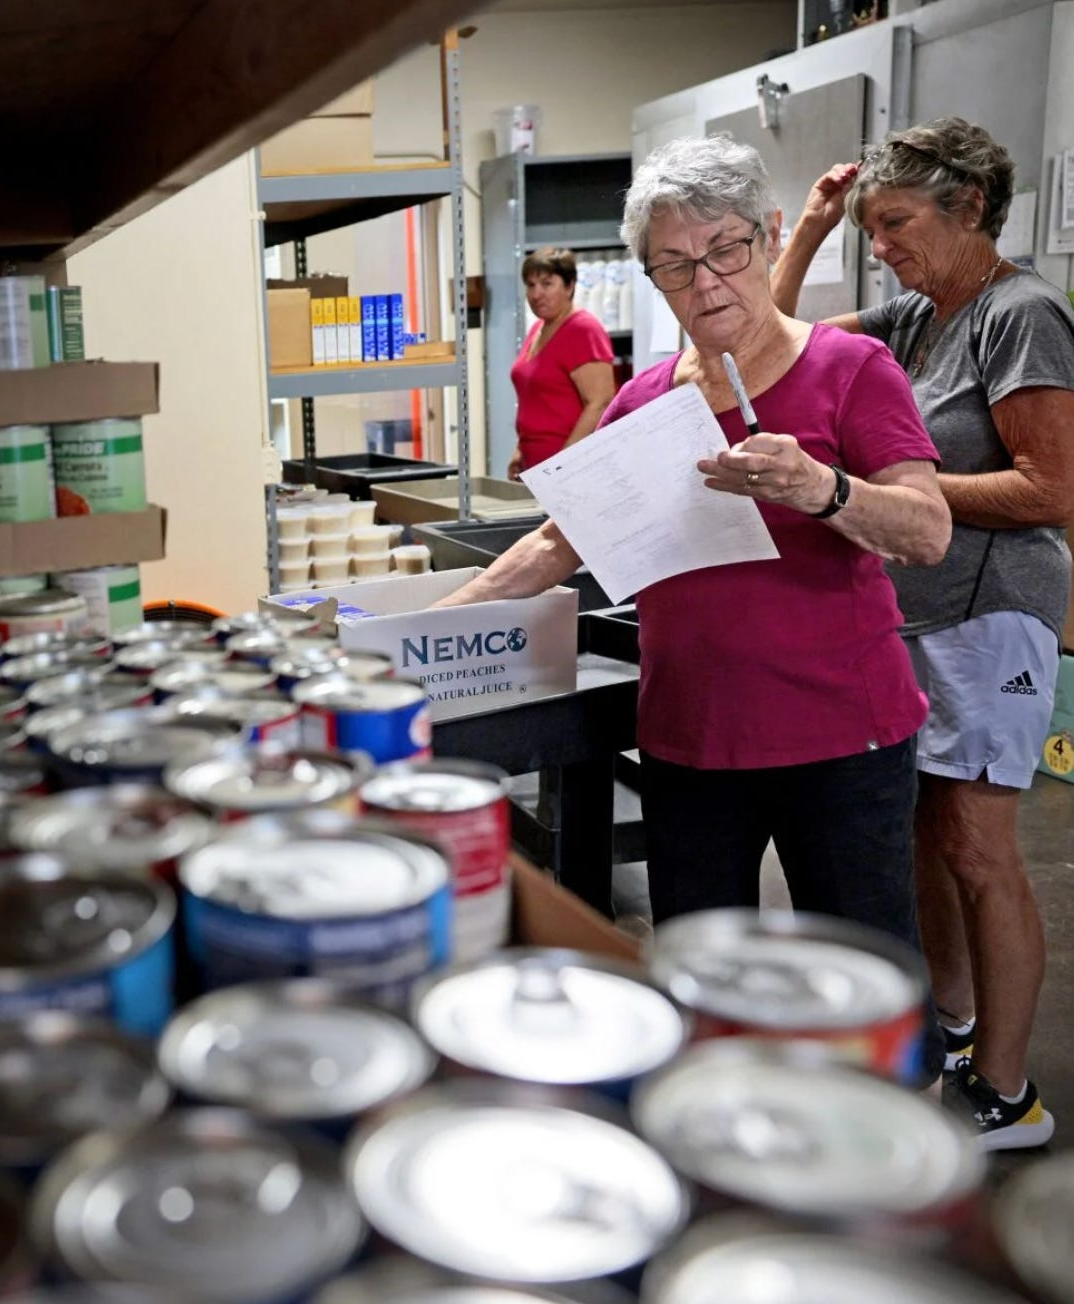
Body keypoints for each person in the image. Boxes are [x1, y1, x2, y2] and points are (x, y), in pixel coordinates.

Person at [436, 135, 953, 1081]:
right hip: (690, 744)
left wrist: (821, 489)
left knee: (862, 995)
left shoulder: (847, 370)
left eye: (724, 250)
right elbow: (557, 544)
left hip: (841, 742)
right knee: (700, 997)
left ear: (764, 238)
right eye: (674, 265)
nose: (706, 282)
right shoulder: (643, 406)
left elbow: (925, 531)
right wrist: (419, 632)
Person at [773, 117, 1074, 1148]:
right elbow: (765, 346)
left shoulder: (1019, 314)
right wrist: (810, 229)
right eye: (871, 229)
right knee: (918, 830)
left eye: (895, 224)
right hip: (918, 614)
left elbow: (1051, 485)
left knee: (978, 845)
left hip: (993, 611)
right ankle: (948, 1023)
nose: (882, 245)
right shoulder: (911, 317)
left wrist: (891, 492)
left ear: (970, 209)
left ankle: (1004, 1093)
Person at [507, 247, 616, 479]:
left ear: (569, 286)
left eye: (547, 284)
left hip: (572, 473)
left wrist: (563, 465)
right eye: (531, 285)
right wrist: (520, 449)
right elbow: (536, 400)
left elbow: (600, 402)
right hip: (536, 467)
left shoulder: (582, 329)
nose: (536, 294)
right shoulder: (539, 328)